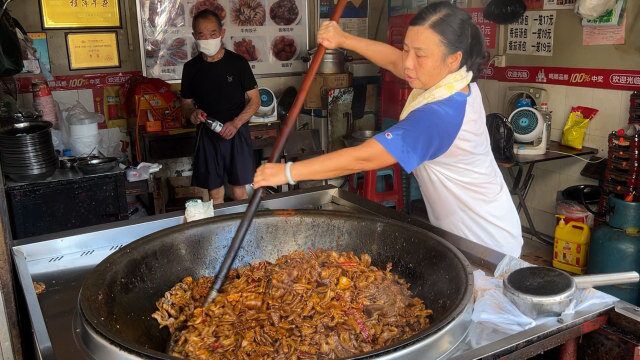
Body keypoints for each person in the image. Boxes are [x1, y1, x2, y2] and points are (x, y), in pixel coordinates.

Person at [253, 2, 524, 257]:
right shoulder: (453, 80)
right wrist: (342, 39)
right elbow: (394, 60)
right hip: (469, 231)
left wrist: (286, 172)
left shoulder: (440, 114)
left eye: (420, 55)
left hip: (486, 243)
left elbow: (365, 157)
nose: (408, 63)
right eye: (407, 49)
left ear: (453, 59)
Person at [181, 10, 260, 204]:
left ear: (222, 33)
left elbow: (255, 100)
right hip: (207, 134)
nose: (207, 39)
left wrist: (236, 123)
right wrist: (193, 113)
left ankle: (244, 234)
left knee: (239, 191)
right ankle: (219, 234)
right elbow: (186, 104)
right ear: (194, 37)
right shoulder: (191, 68)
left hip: (236, 132)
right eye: (201, 35)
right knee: (215, 194)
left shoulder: (238, 63)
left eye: (213, 34)